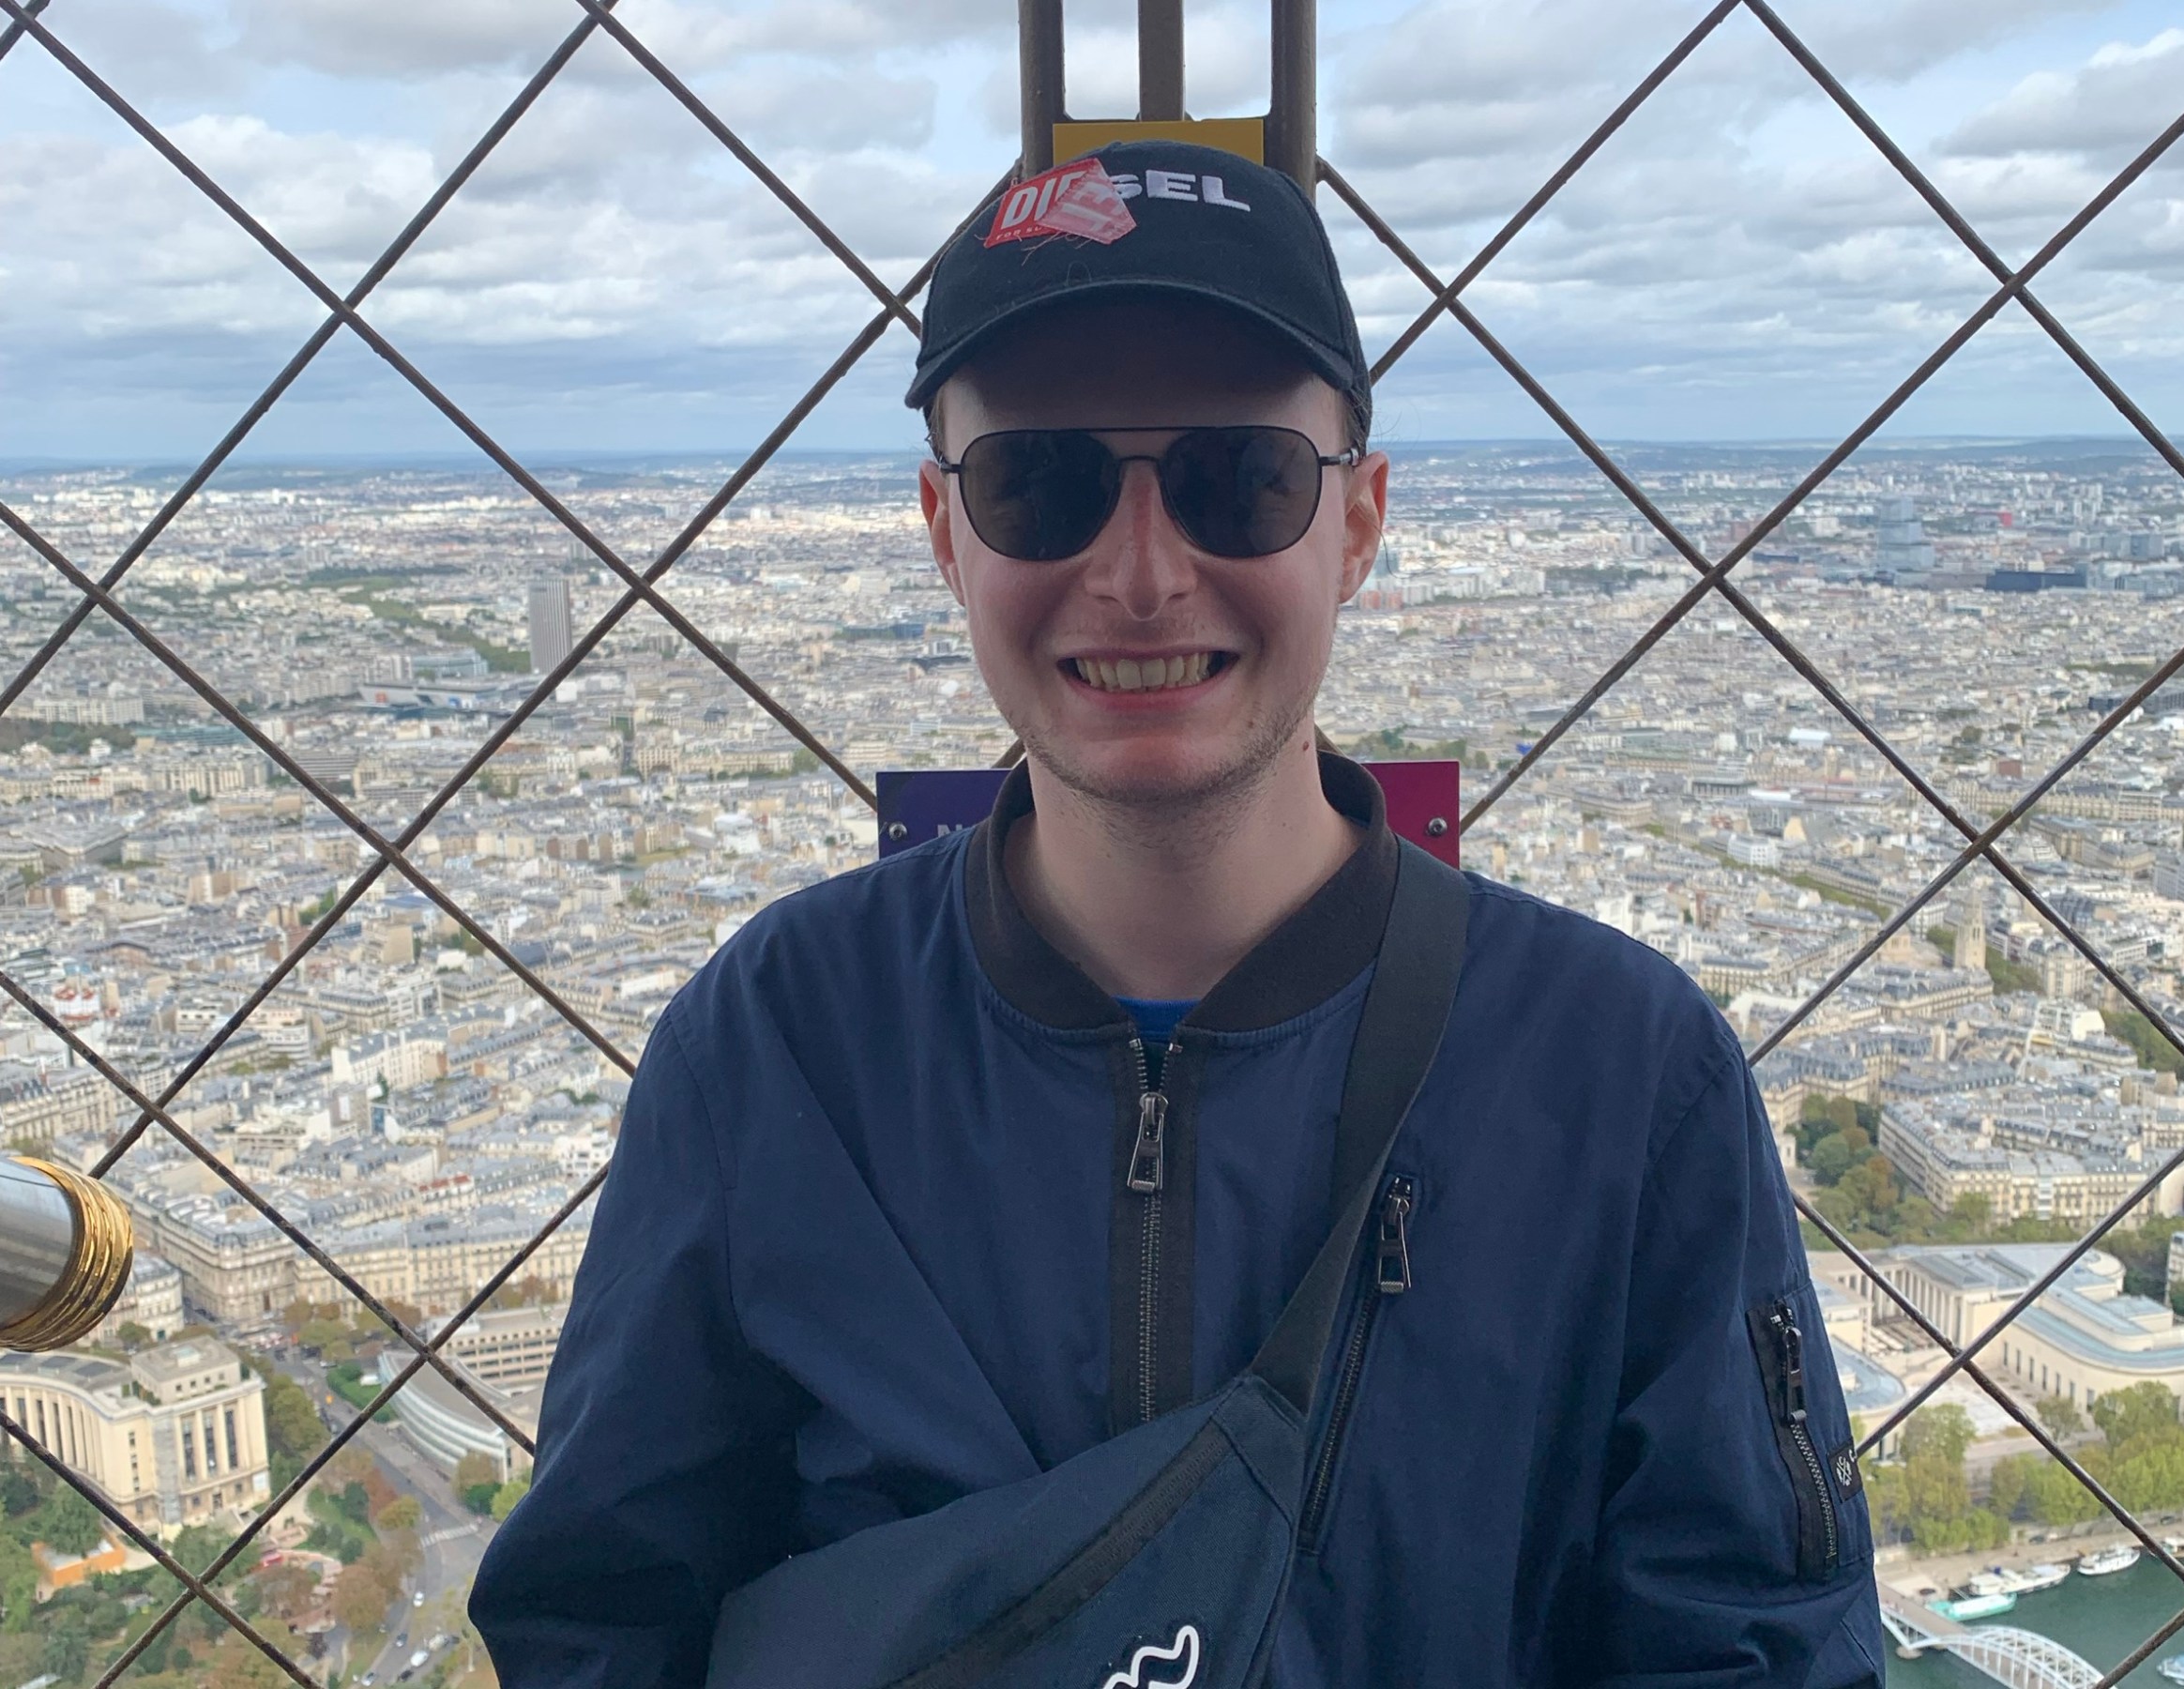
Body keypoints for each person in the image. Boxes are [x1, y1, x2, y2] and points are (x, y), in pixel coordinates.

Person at [469, 140, 1884, 1686]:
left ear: (1358, 521)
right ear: (946, 532)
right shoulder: (765, 1048)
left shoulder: (1633, 1084)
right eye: (1039, 484)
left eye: (1240, 480)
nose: (1141, 576)